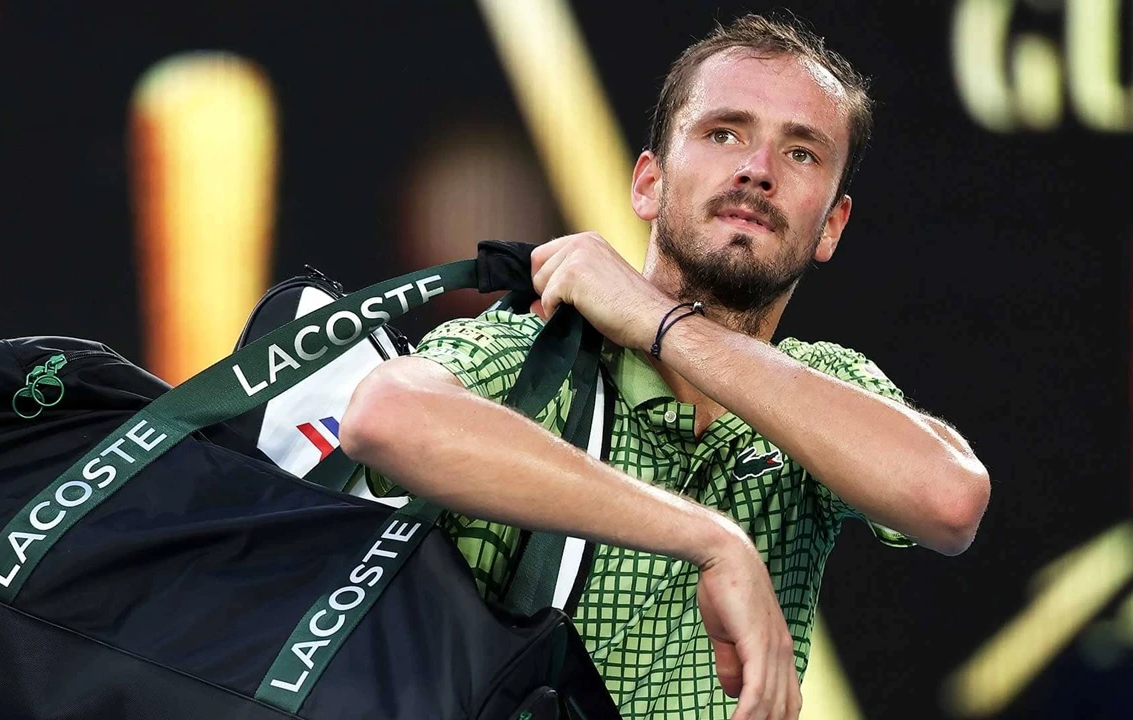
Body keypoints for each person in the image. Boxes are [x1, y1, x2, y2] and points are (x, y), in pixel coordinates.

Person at [341, 12, 991, 720]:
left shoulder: (819, 383)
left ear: (831, 226)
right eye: (723, 134)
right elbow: (384, 416)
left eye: (802, 152)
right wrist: (710, 539)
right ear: (648, 183)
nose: (758, 170)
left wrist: (662, 325)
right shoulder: (541, 352)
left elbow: (950, 500)